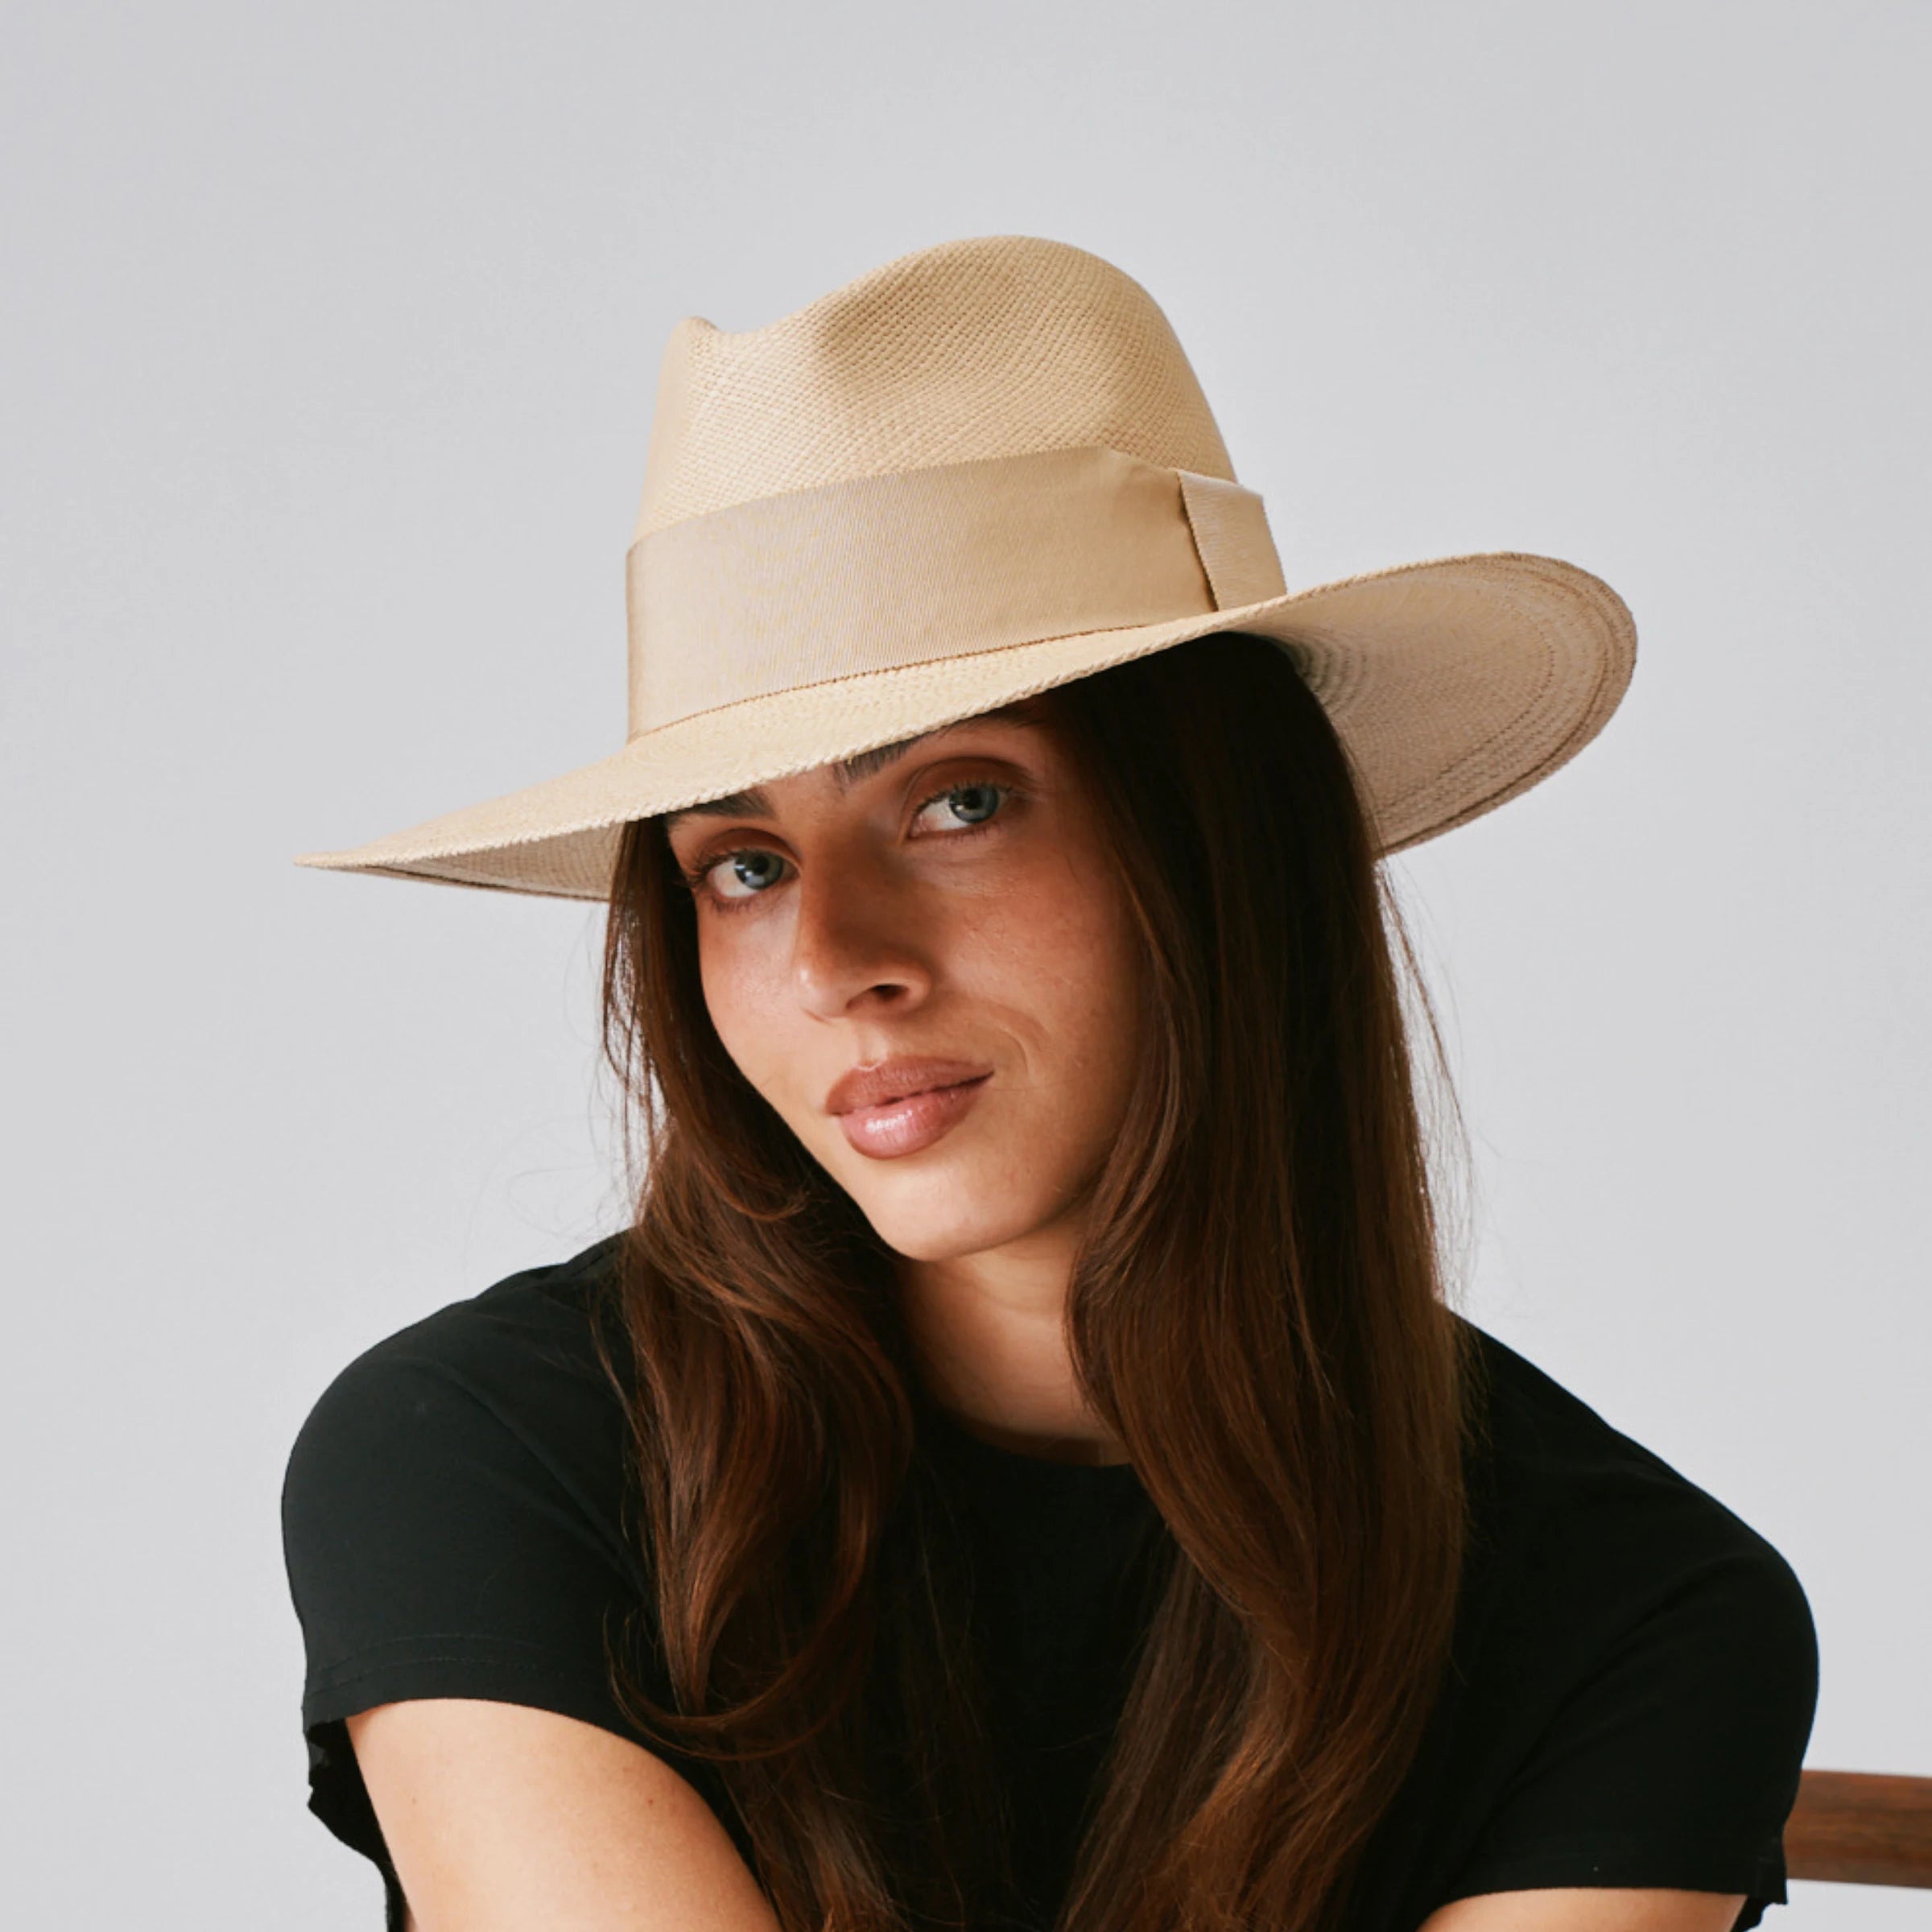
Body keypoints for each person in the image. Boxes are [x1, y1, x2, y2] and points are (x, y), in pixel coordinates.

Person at [282, 236, 1818, 1932]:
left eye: (956, 802)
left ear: (1223, 843)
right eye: (740, 866)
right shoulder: (492, 1458)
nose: (830, 961)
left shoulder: (1635, 1618)